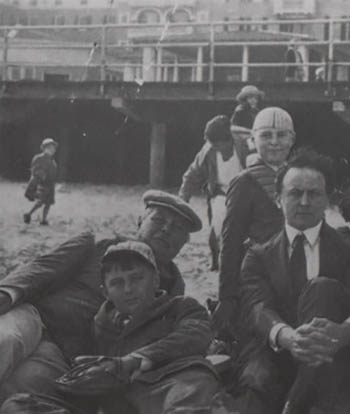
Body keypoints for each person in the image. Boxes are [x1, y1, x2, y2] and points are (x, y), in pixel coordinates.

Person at [0, 190, 202, 405]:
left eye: (177, 228)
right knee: (6, 340)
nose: (165, 229)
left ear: (184, 242)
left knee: (32, 383)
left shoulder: (174, 290)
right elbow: (41, 268)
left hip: (65, 352)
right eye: (158, 219)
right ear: (140, 221)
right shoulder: (96, 244)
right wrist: (6, 293)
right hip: (34, 318)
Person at [238, 150, 350, 414]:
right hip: (276, 351)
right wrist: (289, 337)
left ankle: (295, 403)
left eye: (314, 194)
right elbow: (256, 307)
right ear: (278, 198)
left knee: (323, 288)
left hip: (335, 354)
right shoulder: (258, 254)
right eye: (295, 193)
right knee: (255, 383)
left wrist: (345, 332)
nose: (304, 202)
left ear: (327, 199)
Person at [81, 240, 218, 414]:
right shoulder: (98, 326)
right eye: (117, 283)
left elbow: (194, 335)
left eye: (137, 278)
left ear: (155, 280)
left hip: (173, 388)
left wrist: (135, 360)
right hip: (117, 401)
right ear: (105, 293)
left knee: (196, 381)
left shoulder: (181, 308)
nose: (128, 289)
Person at [212, 107, 296, 337]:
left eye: (281, 135)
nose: (275, 142)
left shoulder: (299, 178)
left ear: (292, 139)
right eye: (266, 135)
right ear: (252, 140)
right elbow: (230, 241)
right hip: (259, 275)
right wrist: (227, 296)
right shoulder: (244, 182)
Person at [179, 115, 251, 270]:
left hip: (244, 191)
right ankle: (215, 262)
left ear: (229, 140)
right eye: (213, 145)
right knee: (216, 228)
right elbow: (191, 175)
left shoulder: (246, 144)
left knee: (243, 231)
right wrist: (182, 200)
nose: (216, 149)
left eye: (219, 146)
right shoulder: (208, 150)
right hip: (220, 192)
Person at [24, 138, 59, 226]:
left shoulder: (52, 161)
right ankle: (28, 214)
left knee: (48, 203)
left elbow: (54, 172)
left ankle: (44, 219)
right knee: (41, 201)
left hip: (50, 184)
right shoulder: (39, 158)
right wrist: (39, 175)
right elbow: (34, 169)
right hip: (42, 183)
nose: (53, 149)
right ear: (44, 148)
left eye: (54, 148)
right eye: (50, 147)